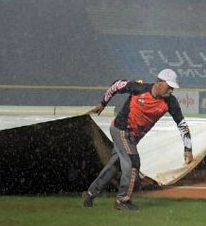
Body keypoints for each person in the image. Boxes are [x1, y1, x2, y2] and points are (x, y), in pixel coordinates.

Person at [82, 68, 192, 212]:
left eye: (173, 88)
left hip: (132, 138)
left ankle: (90, 194)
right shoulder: (139, 88)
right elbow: (117, 85)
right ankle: (123, 200)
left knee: (115, 166)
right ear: (159, 82)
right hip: (121, 130)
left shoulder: (170, 102)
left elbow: (182, 125)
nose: (171, 90)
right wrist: (103, 103)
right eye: (169, 86)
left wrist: (188, 149)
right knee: (133, 162)